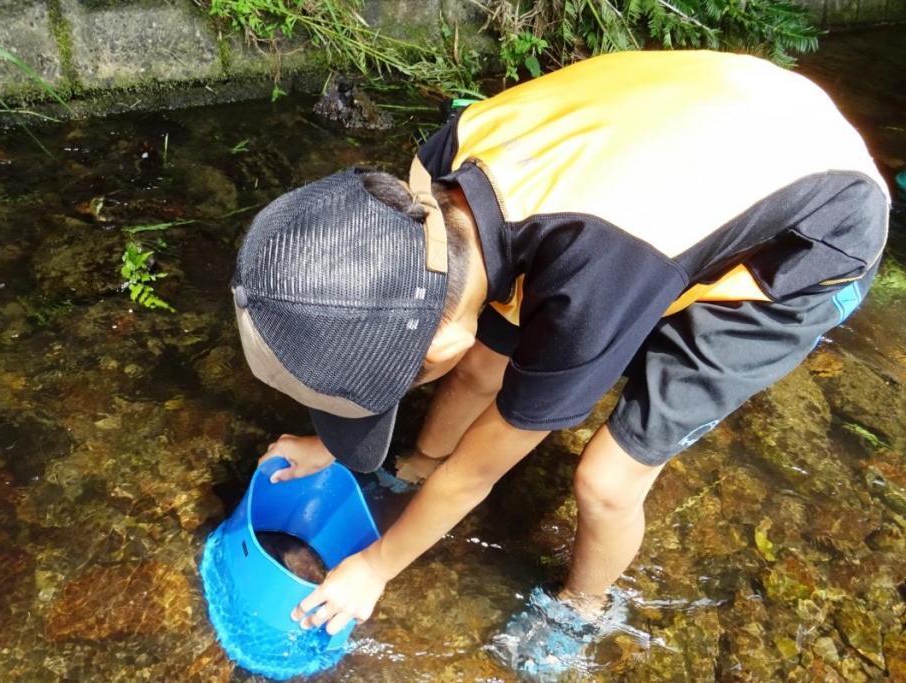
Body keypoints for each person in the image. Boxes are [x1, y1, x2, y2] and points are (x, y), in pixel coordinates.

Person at [229, 49, 889, 672]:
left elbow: (478, 472)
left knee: (606, 477)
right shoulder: (428, 182)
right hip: (709, 128)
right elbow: (410, 328)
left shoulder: (592, 284)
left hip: (814, 231)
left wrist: (376, 565)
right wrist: (338, 441)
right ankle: (417, 461)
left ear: (432, 344)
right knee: (482, 362)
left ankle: (584, 607)